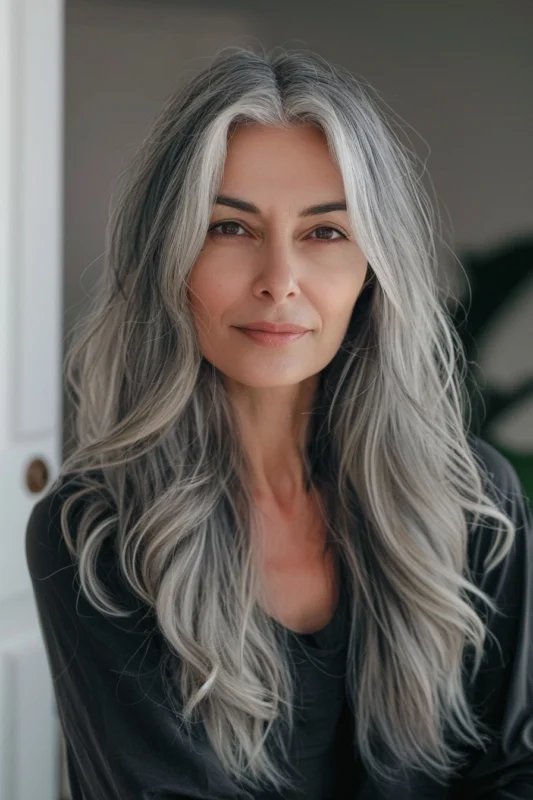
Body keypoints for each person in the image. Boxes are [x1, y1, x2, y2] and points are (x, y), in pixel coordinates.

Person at [25, 45, 533, 799]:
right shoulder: (96, 530)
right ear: (166, 255)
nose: (278, 282)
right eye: (229, 228)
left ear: (373, 268)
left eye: (325, 233)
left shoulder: (474, 500)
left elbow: (513, 768)